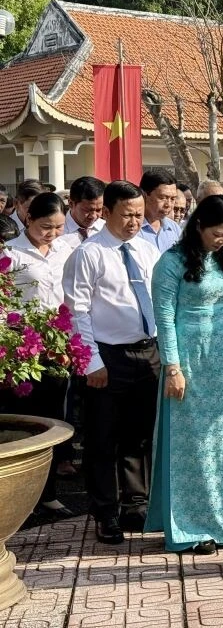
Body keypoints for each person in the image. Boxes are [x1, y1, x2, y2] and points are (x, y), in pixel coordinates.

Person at [146, 195, 223, 554]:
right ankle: (193, 526)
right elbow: (164, 318)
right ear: (198, 226)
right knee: (194, 444)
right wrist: (172, 368)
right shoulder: (171, 262)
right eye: (217, 234)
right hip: (189, 359)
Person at [65, 180, 161, 545]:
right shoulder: (89, 254)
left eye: (139, 214)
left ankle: (136, 503)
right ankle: (105, 512)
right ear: (106, 213)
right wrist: (91, 362)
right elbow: (77, 311)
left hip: (147, 352)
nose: (134, 222)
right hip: (107, 355)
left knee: (139, 434)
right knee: (103, 437)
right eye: (126, 215)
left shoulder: (147, 248)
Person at [4, 192, 74, 517]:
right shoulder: (11, 253)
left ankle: (48, 494)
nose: (53, 233)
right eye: (46, 226)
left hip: (57, 348)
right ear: (28, 218)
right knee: (26, 421)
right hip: (22, 350)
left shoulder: (66, 250)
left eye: (59, 227)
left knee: (55, 419)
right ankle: (22, 500)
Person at [138, 170, 181, 255]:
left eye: (172, 199)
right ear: (145, 195)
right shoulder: (133, 229)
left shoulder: (174, 228)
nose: (168, 205)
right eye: (163, 198)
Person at [63, 176, 106, 246]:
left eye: (98, 210)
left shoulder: (107, 229)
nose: (93, 216)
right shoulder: (56, 232)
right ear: (71, 203)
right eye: (87, 210)